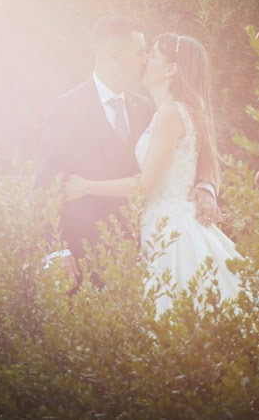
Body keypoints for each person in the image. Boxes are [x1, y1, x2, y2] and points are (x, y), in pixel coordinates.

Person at [64, 32, 243, 315]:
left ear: (171, 69)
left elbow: (145, 184)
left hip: (169, 230)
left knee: (174, 315)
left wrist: (86, 186)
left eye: (154, 55)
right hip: (167, 223)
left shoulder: (170, 113)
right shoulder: (166, 110)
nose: (146, 60)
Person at [36, 17, 220, 287]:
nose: (145, 59)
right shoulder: (68, 108)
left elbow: (192, 153)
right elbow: (45, 182)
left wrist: (206, 187)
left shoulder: (147, 108)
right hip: (85, 255)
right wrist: (55, 249)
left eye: (149, 53)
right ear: (114, 55)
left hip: (147, 248)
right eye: (140, 52)